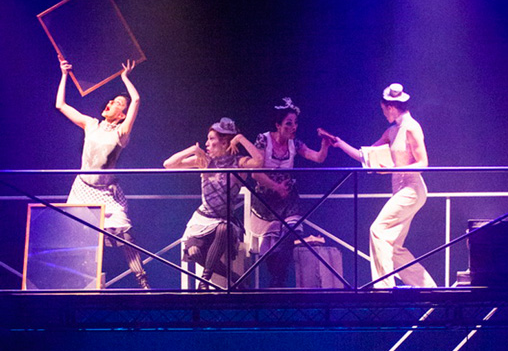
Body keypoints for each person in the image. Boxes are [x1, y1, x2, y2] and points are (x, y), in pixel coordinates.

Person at [55, 55, 150, 289]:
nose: (111, 103)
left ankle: (143, 281)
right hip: (82, 189)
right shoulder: (91, 124)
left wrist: (125, 77)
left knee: (126, 234)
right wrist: (64, 75)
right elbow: (61, 105)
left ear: (122, 115)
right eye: (112, 100)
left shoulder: (121, 133)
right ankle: (81, 284)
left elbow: (137, 100)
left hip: (106, 192)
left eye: (118, 103)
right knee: (79, 237)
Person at [333, 83, 437, 289]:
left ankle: (384, 288)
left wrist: (391, 169)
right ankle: (428, 288)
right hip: (400, 190)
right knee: (393, 247)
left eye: (383, 109)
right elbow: (366, 156)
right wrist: (339, 143)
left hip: (412, 189)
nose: (383, 114)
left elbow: (423, 163)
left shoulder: (412, 127)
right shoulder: (392, 131)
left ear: (390, 107)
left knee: (378, 230)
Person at [163, 118, 262, 290]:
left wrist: (240, 138)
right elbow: (168, 165)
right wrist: (192, 150)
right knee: (194, 252)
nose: (207, 143)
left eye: (211, 139)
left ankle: (204, 282)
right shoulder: (205, 161)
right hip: (203, 219)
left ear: (224, 142)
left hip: (225, 221)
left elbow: (259, 161)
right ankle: (234, 277)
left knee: (223, 228)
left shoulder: (238, 163)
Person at [250, 98, 332, 287]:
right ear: (278, 125)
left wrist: (325, 145)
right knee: (271, 247)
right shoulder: (264, 140)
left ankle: (278, 281)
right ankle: (277, 280)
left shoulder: (295, 143)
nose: (293, 127)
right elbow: (255, 173)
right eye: (288, 123)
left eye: (295, 123)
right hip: (266, 199)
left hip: (288, 198)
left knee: (291, 233)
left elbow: (317, 158)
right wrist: (276, 186)